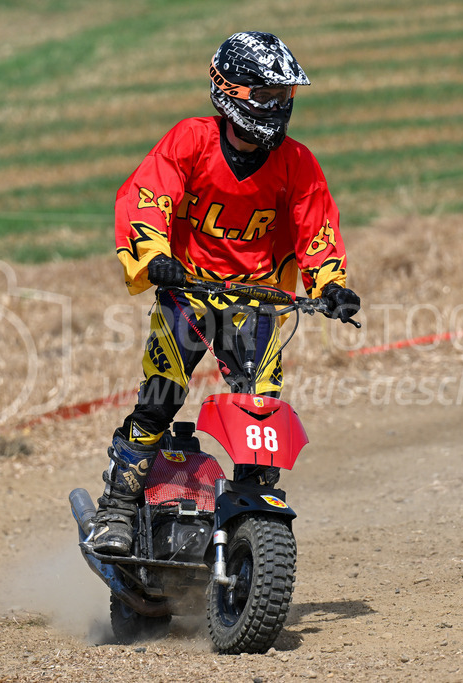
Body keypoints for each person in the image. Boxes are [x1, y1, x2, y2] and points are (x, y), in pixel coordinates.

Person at [89, 31, 361, 556]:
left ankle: (254, 520)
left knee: (261, 408)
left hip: (256, 299)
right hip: (187, 292)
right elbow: (148, 196)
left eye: (284, 97)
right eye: (267, 95)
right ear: (230, 92)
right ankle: (117, 508)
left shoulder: (296, 162)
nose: (277, 107)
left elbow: (317, 226)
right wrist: (154, 258)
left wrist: (331, 287)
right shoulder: (190, 140)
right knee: (161, 397)